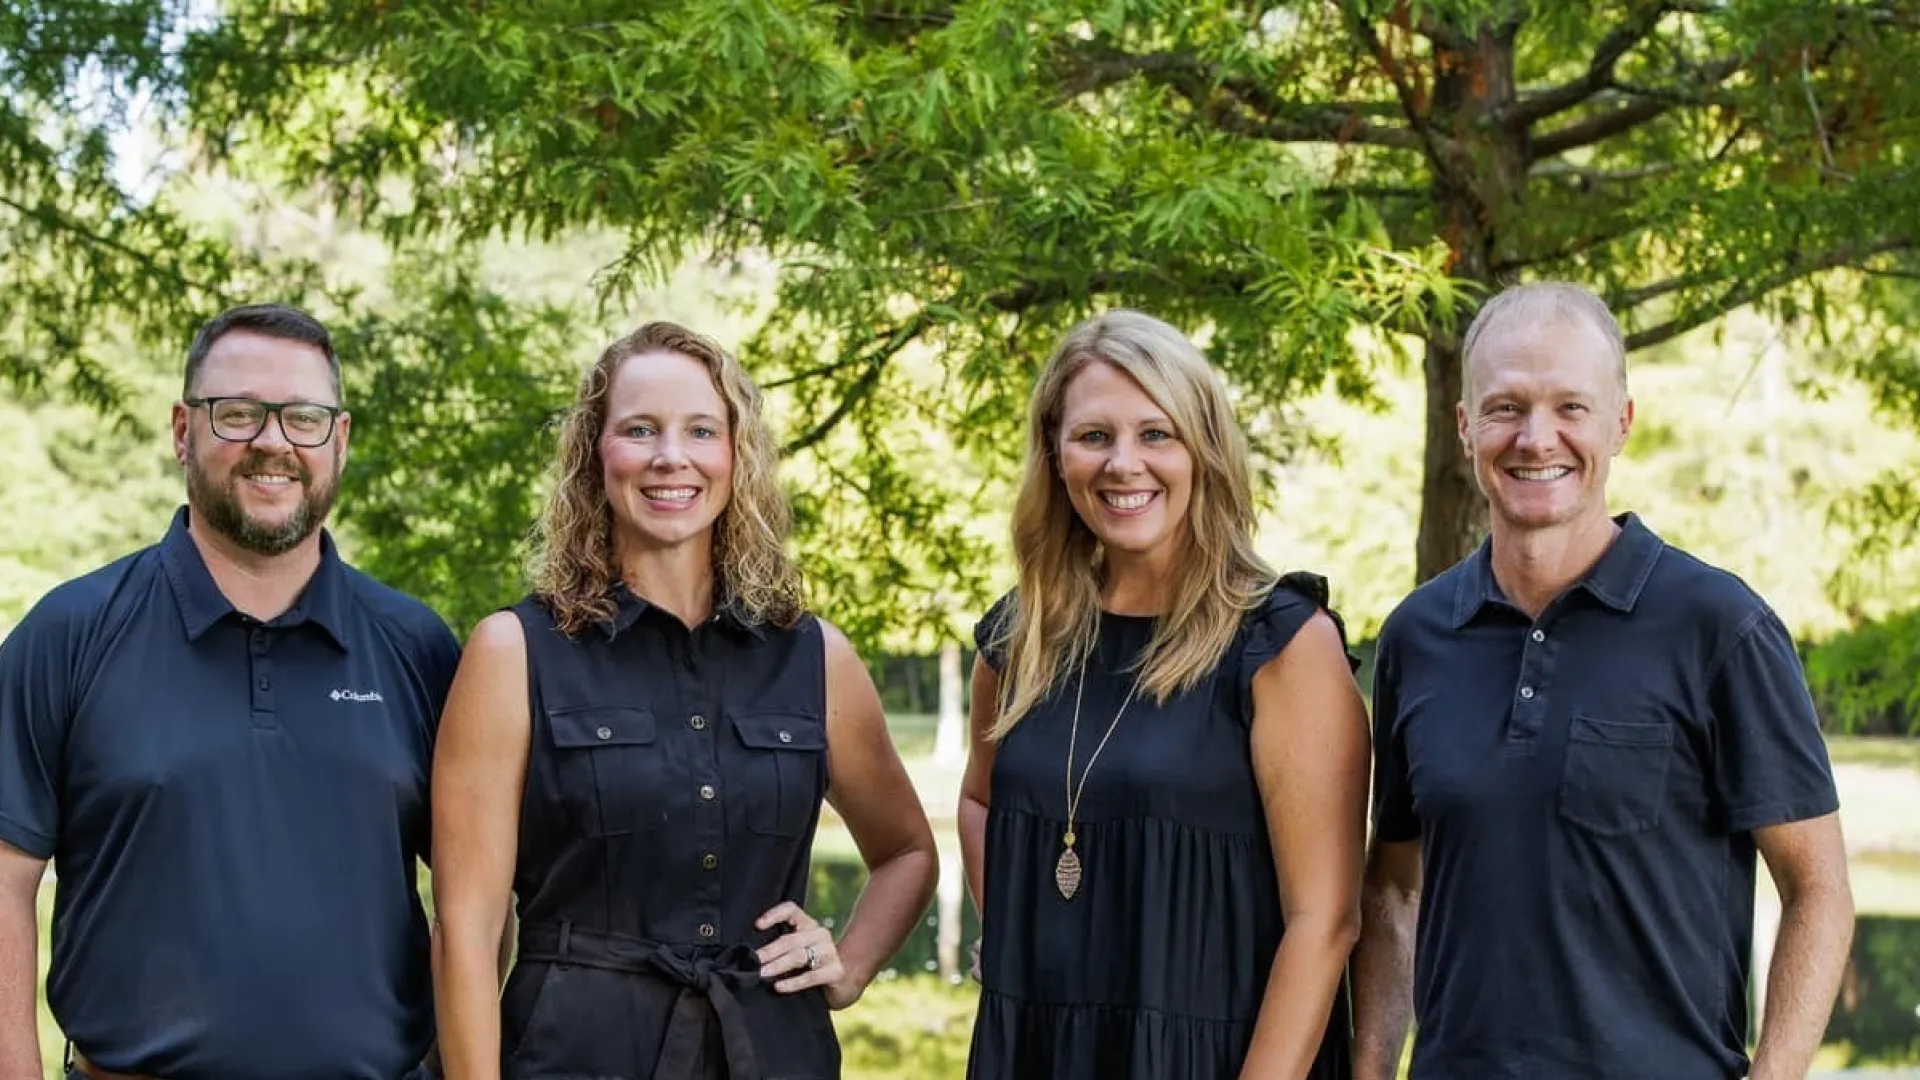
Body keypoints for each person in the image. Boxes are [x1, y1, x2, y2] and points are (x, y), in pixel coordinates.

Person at [1351, 282, 1856, 1080]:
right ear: (1464, 427)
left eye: (1570, 408)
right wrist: (1372, 1069)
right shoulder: (1417, 636)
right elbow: (1394, 890)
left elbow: (1819, 891)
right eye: (1506, 407)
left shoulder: (1719, 627)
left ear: (1622, 421)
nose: (1535, 437)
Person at [430, 321, 938, 1080]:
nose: (672, 457)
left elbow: (907, 852)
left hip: (773, 1054)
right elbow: (467, 932)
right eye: (640, 430)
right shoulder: (512, 652)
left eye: (701, 430)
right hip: (575, 1056)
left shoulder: (814, 656)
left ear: (736, 455)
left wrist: (850, 963)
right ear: (593, 454)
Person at [0, 304, 461, 1079]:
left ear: (338, 441)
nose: (274, 442)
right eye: (239, 414)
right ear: (184, 431)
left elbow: (475, 906)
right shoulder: (70, 633)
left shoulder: (417, 648)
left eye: (304, 419)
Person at [958, 309, 1369, 1079]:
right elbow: (981, 802)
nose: (1124, 464)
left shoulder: (1281, 644)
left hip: (1220, 1057)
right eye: (1093, 437)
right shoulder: (1020, 641)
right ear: (1055, 454)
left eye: (1157, 434)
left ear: (1203, 451)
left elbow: (1327, 923)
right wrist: (1024, 939)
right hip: (1041, 1050)